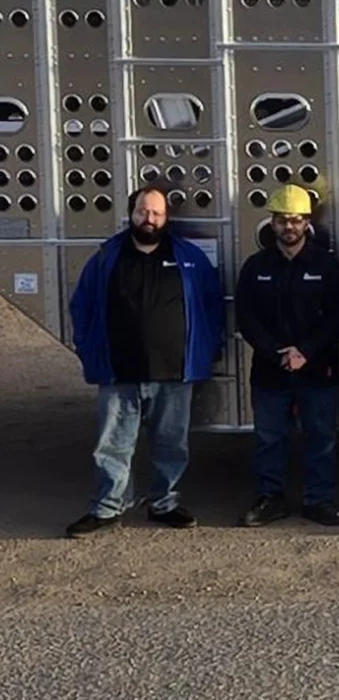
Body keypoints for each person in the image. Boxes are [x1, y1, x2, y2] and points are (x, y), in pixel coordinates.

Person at [65, 186, 225, 536]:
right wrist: (85, 347)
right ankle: (107, 508)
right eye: (142, 211)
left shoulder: (189, 258)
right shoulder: (108, 257)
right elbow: (82, 305)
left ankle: (163, 503)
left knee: (171, 443)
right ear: (131, 214)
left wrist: (208, 347)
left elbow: (212, 306)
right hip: (119, 371)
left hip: (175, 371)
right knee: (113, 445)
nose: (148, 219)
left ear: (166, 217)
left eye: (156, 213)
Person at [234, 184, 339, 527]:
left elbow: (336, 314)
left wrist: (306, 351)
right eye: (283, 220)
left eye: (296, 220)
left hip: (317, 368)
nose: (289, 227)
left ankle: (319, 500)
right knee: (270, 438)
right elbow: (246, 316)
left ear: (307, 223)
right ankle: (271, 499)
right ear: (272, 223)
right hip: (270, 370)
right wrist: (275, 352)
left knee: (321, 437)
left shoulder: (326, 265)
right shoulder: (256, 266)